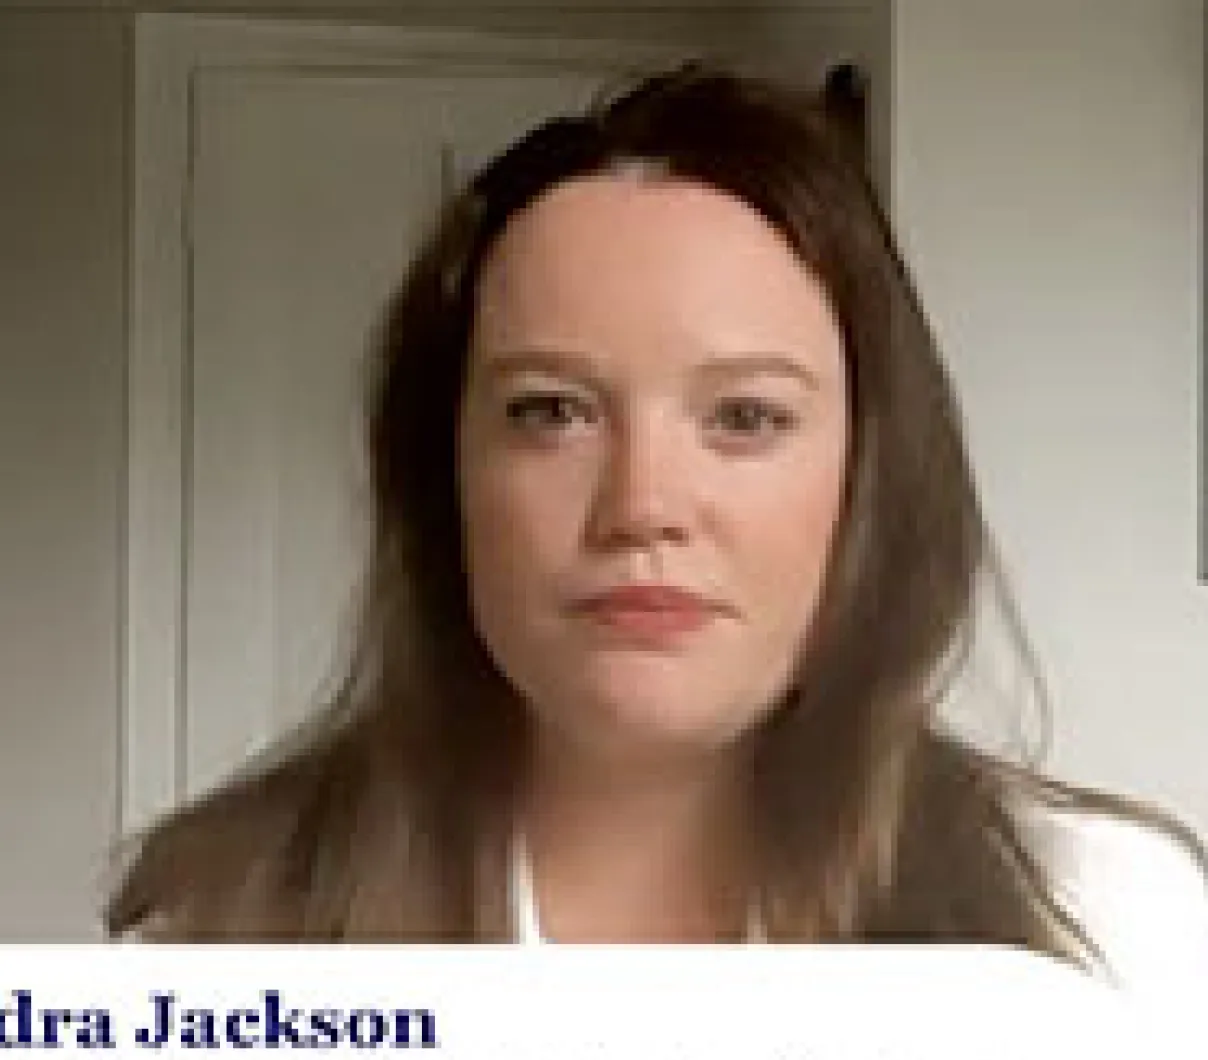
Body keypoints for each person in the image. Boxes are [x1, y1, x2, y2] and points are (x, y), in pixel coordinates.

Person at [104, 63, 1207, 989]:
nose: (641, 507)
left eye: (744, 418)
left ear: (869, 473)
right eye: (551, 412)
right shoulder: (216, 940)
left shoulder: (1110, 930)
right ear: (443, 472)